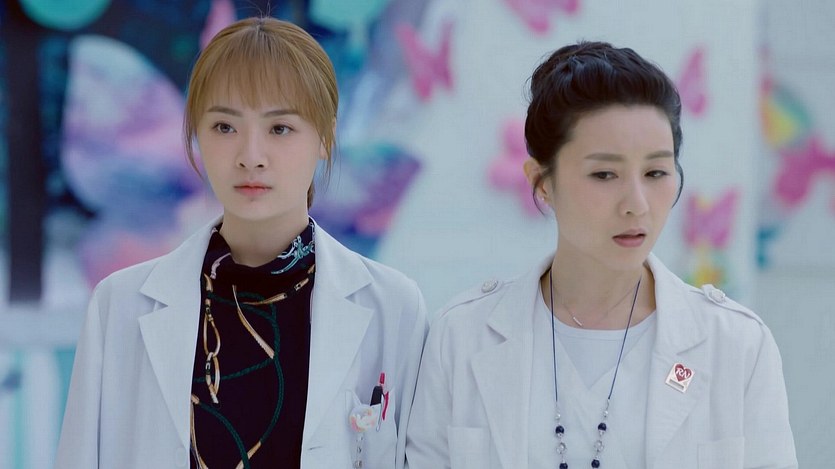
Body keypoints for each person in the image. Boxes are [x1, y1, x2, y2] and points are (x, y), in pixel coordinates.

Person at [56, 16, 427, 469]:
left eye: (280, 128)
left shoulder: (392, 305)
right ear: (196, 134)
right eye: (224, 127)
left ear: (326, 137)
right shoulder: (120, 305)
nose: (251, 157)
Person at [405, 41, 796, 468]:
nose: (636, 204)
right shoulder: (462, 337)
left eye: (656, 172)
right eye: (604, 174)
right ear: (542, 182)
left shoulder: (736, 345)